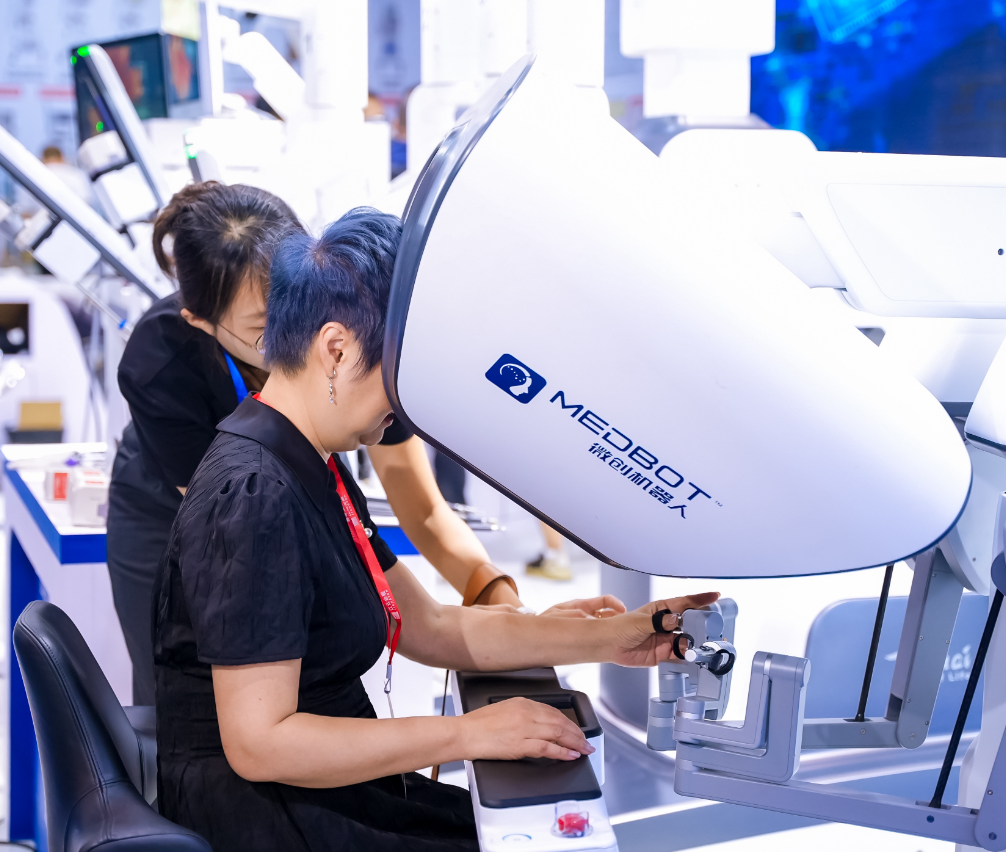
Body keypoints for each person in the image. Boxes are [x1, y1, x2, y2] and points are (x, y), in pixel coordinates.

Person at [153, 207, 718, 850]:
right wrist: (468, 734)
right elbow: (262, 744)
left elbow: (431, 625)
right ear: (335, 349)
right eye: (398, 378)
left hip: (331, 792)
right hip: (270, 818)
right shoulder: (255, 495)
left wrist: (609, 638)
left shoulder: (309, 461)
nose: (405, 408)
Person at [109, 182, 603, 707]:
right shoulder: (166, 372)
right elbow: (247, 537)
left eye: (296, 301)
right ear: (200, 322)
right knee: (192, 694)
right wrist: (462, 729)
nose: (290, 333)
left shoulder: (353, 361)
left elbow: (422, 522)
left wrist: (494, 595)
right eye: (262, 327)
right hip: (167, 514)